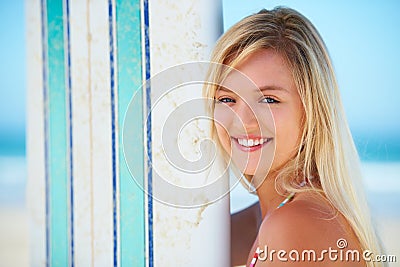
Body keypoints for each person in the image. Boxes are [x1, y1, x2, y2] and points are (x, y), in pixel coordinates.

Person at [203, 7, 385, 266]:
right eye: (227, 98)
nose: (242, 121)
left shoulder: (293, 224)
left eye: (268, 99)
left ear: (311, 111)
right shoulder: (269, 216)